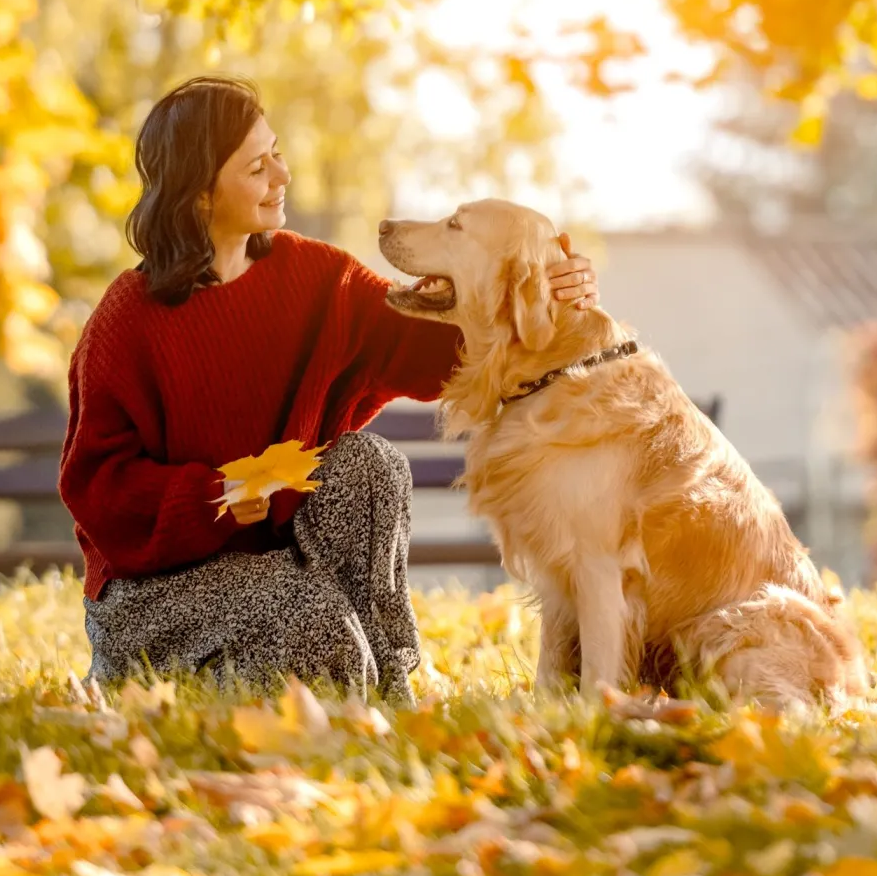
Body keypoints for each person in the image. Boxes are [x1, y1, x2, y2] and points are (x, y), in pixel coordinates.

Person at [58, 75, 600, 704]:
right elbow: (95, 487)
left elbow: (441, 353)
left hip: (282, 566)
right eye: (258, 167)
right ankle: (178, 676)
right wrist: (212, 496)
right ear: (201, 194)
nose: (282, 178)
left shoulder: (314, 277)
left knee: (370, 465)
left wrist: (545, 294)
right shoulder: (126, 321)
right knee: (315, 625)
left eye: (277, 153)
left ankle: (385, 690)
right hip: (153, 594)